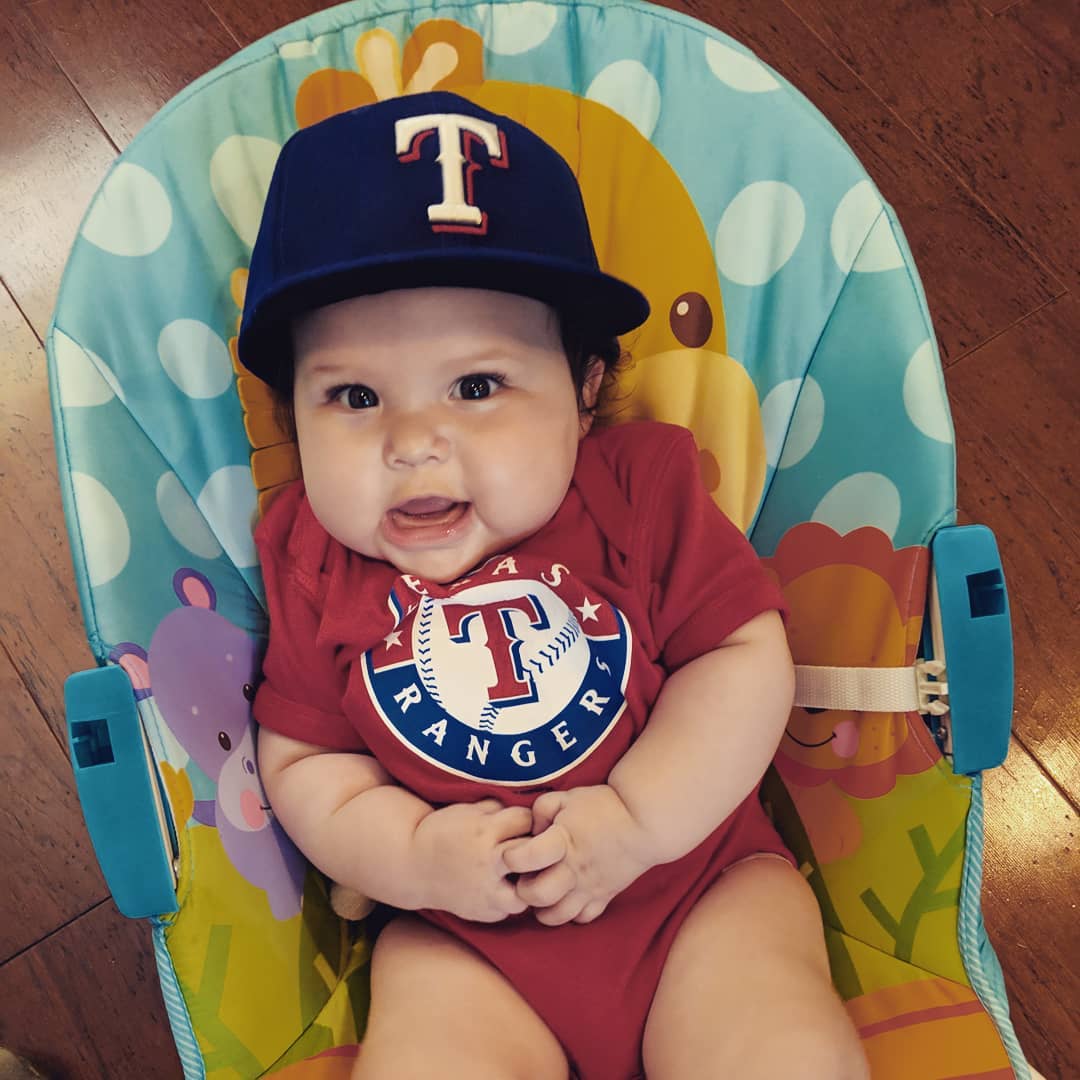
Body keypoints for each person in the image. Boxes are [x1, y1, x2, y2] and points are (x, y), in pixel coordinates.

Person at [239, 91, 867, 1080]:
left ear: (583, 385)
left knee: (779, 1054)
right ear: (293, 409)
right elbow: (307, 764)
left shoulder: (641, 488)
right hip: (465, 942)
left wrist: (636, 821)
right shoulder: (308, 555)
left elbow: (743, 659)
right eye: (353, 397)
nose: (411, 443)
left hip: (693, 888)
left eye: (477, 386)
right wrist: (410, 853)